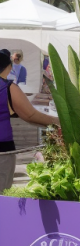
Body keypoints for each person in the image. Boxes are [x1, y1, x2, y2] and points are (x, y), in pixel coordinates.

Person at [0, 49, 59, 191]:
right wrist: (58, 121)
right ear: (9, 67)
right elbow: (30, 115)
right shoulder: (8, 87)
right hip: (2, 150)